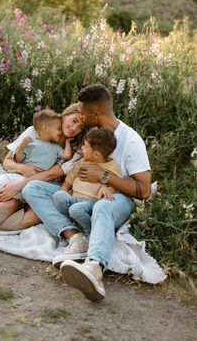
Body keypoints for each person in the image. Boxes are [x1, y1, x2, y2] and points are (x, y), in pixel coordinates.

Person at [22, 84, 151, 301]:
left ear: (95, 114)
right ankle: (74, 237)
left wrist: (104, 176)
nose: (79, 117)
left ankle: (95, 268)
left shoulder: (130, 140)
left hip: (115, 198)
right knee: (31, 188)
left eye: (82, 113)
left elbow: (144, 190)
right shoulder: (90, 134)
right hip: (81, 197)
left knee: (102, 205)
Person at [0, 103, 86, 258]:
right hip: (21, 177)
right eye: (74, 120)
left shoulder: (75, 150)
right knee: (8, 201)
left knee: (32, 218)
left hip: (45, 187)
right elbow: (7, 161)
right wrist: (22, 169)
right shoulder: (36, 131)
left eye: (80, 127)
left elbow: (50, 175)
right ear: (64, 114)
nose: (75, 128)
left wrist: (18, 186)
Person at [0, 109, 72, 219]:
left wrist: (67, 142)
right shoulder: (33, 142)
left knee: (6, 190)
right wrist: (22, 146)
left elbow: (67, 156)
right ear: (45, 128)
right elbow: (18, 160)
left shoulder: (56, 148)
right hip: (19, 174)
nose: (60, 132)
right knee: (1, 180)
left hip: (34, 181)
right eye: (58, 129)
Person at [52, 128, 122, 265]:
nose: (82, 148)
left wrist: (109, 188)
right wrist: (65, 189)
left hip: (91, 202)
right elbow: (70, 178)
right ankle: (75, 224)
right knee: (58, 196)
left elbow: (116, 182)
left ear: (96, 154)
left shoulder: (111, 166)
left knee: (76, 210)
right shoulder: (83, 161)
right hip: (74, 197)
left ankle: (90, 232)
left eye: (85, 146)